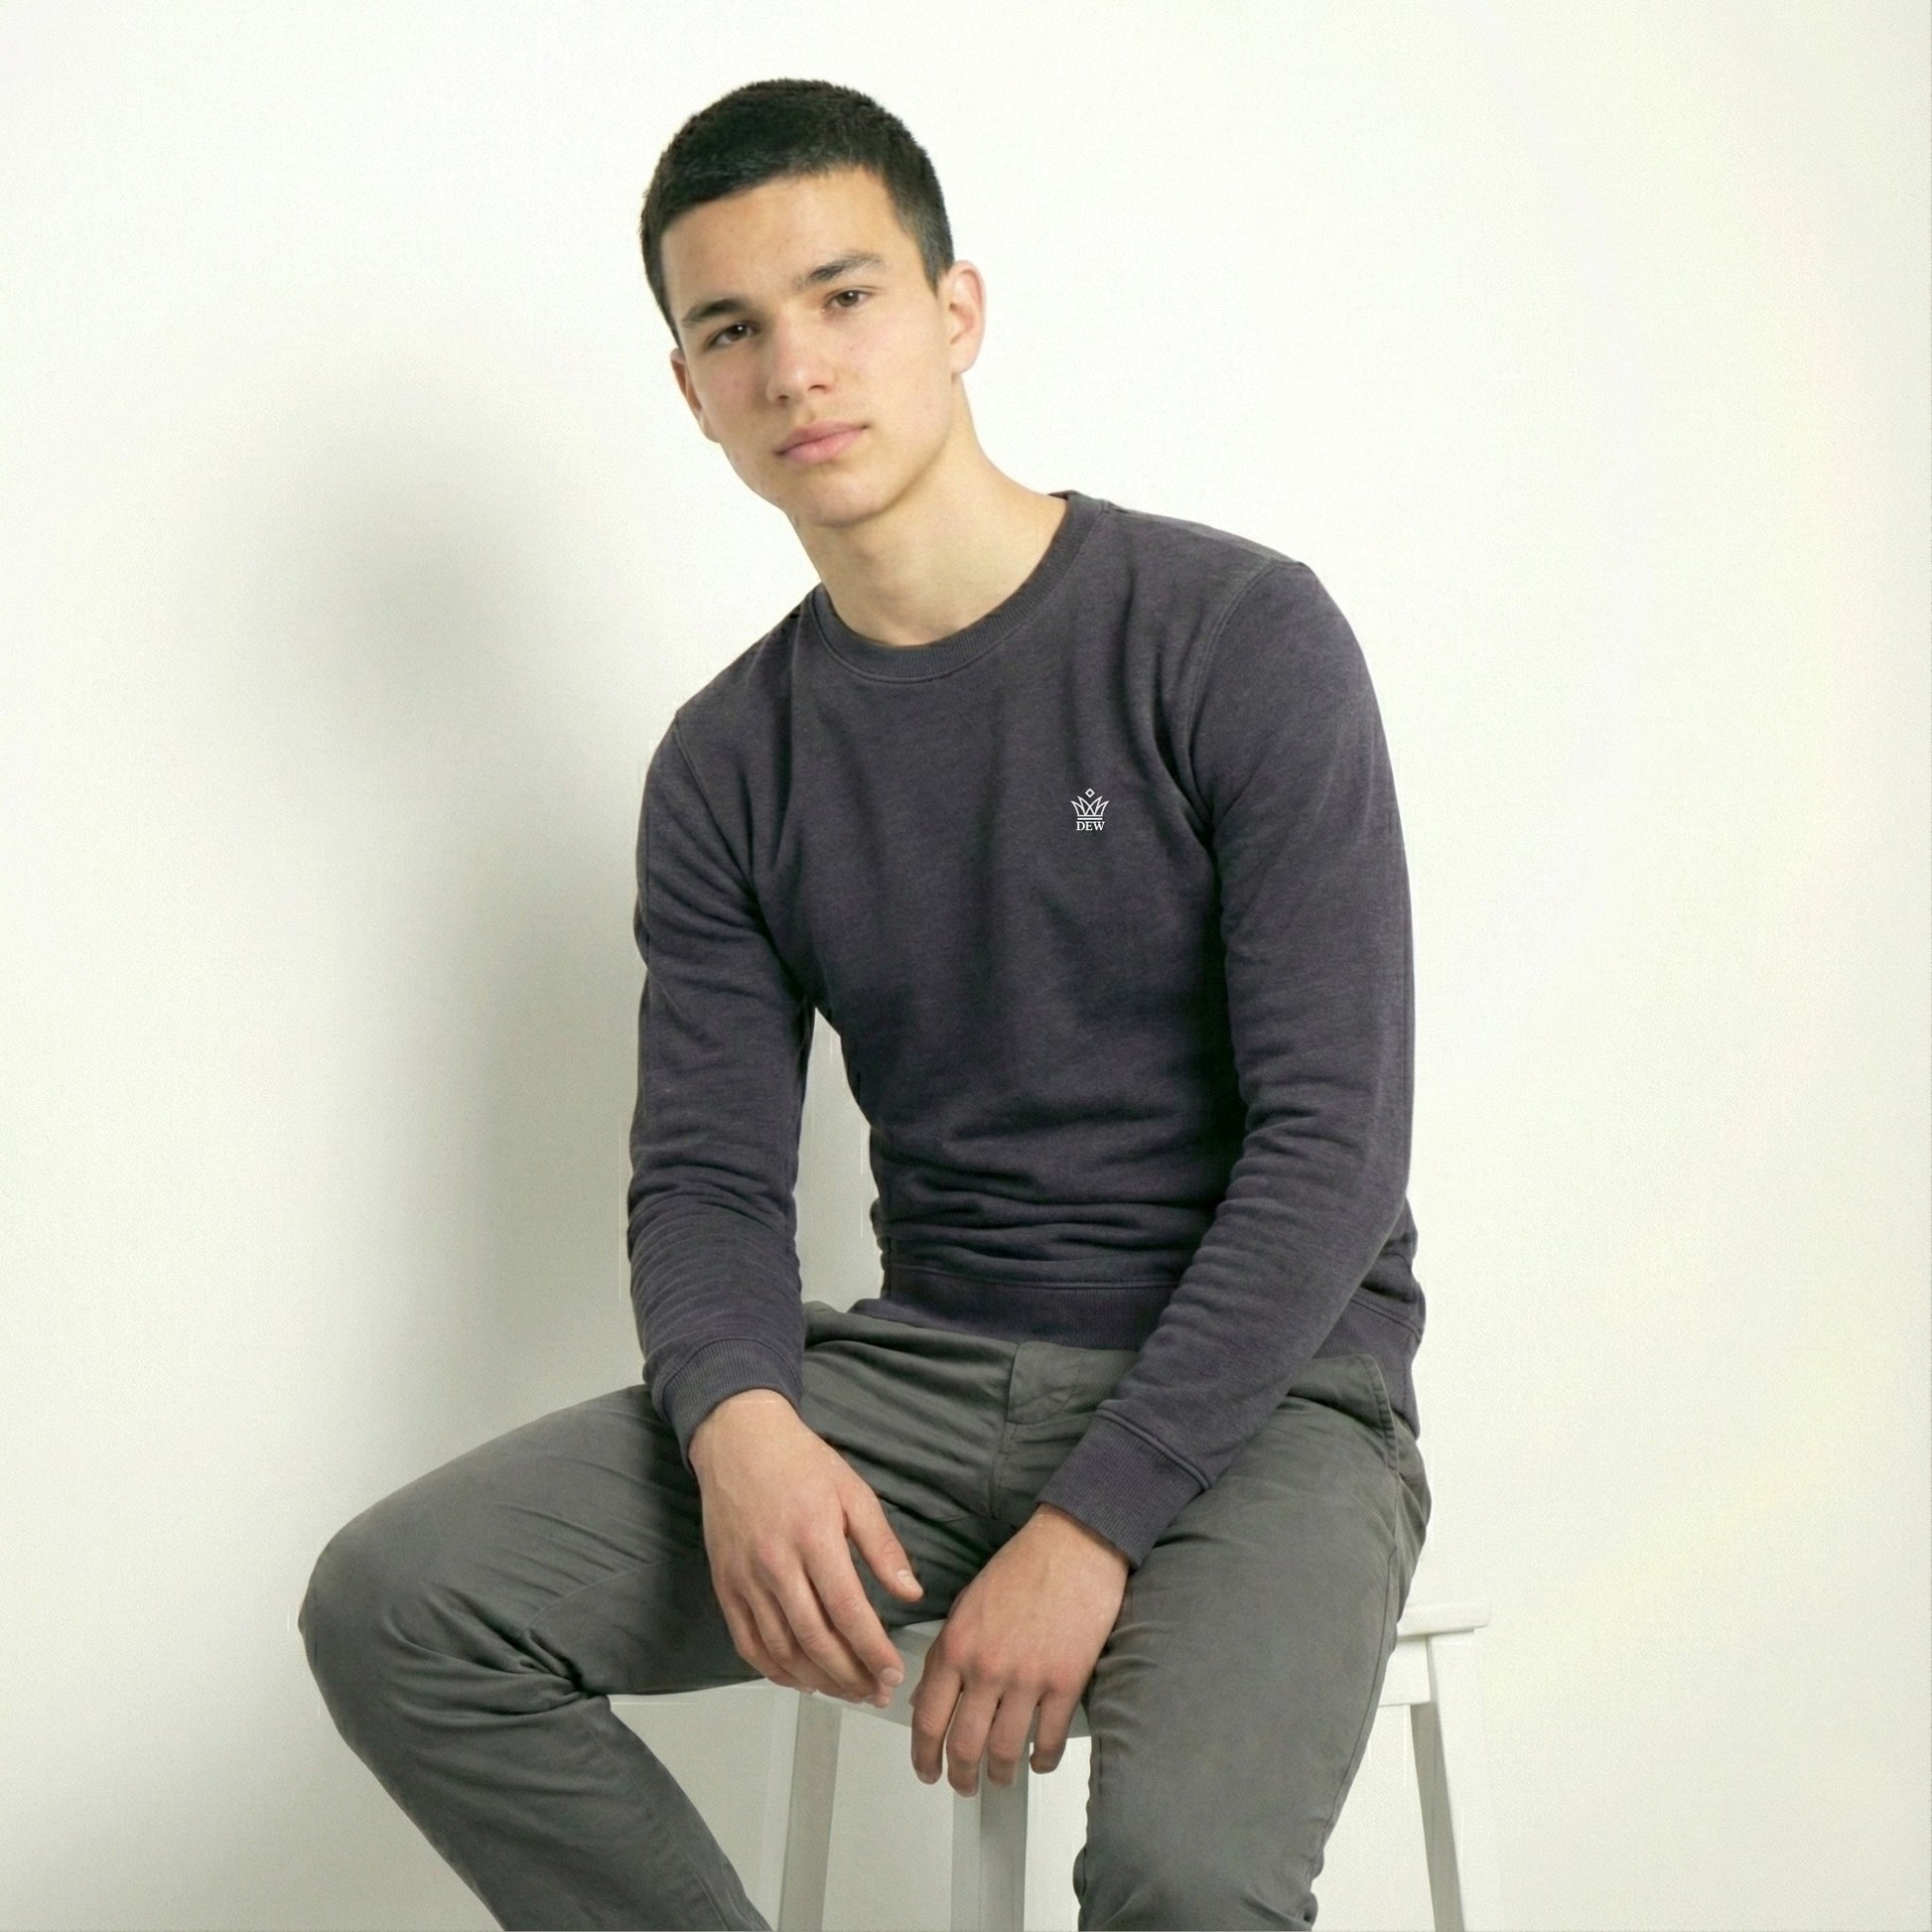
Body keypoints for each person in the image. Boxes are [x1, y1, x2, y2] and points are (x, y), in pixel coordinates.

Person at [300, 76, 1432, 1931]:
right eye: (729, 329)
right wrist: (739, 1414)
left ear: (955, 310)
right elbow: (707, 1182)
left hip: (1265, 1396)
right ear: (688, 388)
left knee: (1183, 1875)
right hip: (917, 1378)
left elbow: (1331, 1145)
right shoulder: (731, 762)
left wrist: (1095, 1524)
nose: (794, 368)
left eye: (844, 298)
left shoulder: (1231, 636)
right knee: (405, 1600)